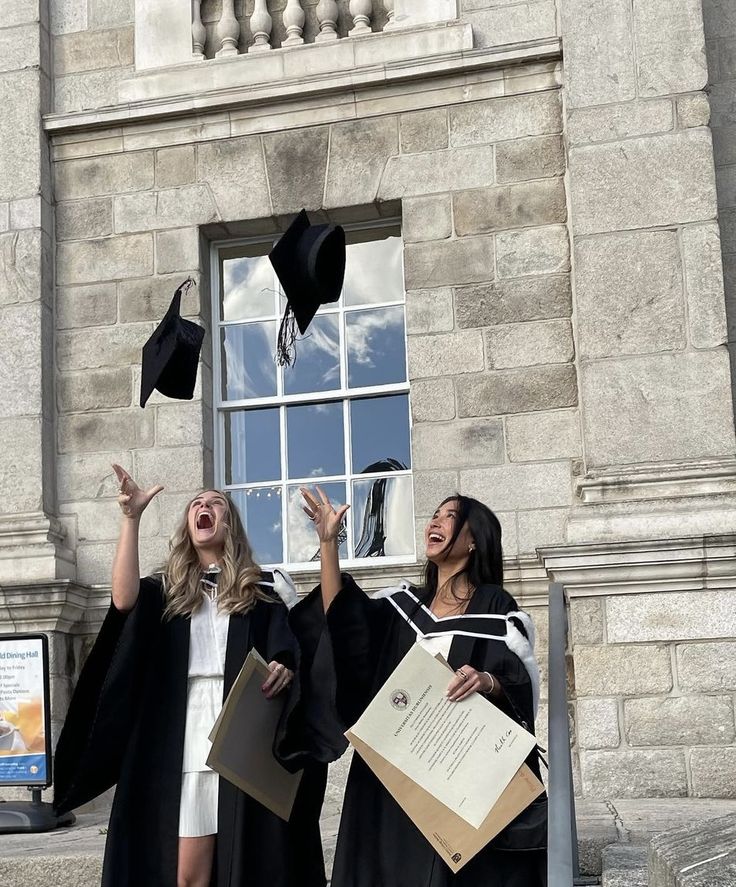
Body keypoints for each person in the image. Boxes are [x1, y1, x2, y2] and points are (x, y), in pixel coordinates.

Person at [53, 466, 328, 887]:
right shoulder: (168, 590)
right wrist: (131, 518)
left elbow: (290, 649)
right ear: (188, 524)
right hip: (180, 732)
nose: (205, 506)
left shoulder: (263, 590)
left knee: (246, 856)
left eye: (215, 503)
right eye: (197, 503)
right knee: (187, 872)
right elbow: (122, 600)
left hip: (242, 729)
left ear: (229, 523)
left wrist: (283, 668)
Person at [292, 487, 546, 887]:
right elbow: (343, 622)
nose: (435, 521)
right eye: (435, 514)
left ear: (473, 538)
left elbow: (517, 679)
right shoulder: (404, 606)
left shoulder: (495, 606)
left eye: (449, 516)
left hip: (456, 767)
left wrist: (486, 680)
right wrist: (328, 544)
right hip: (395, 770)